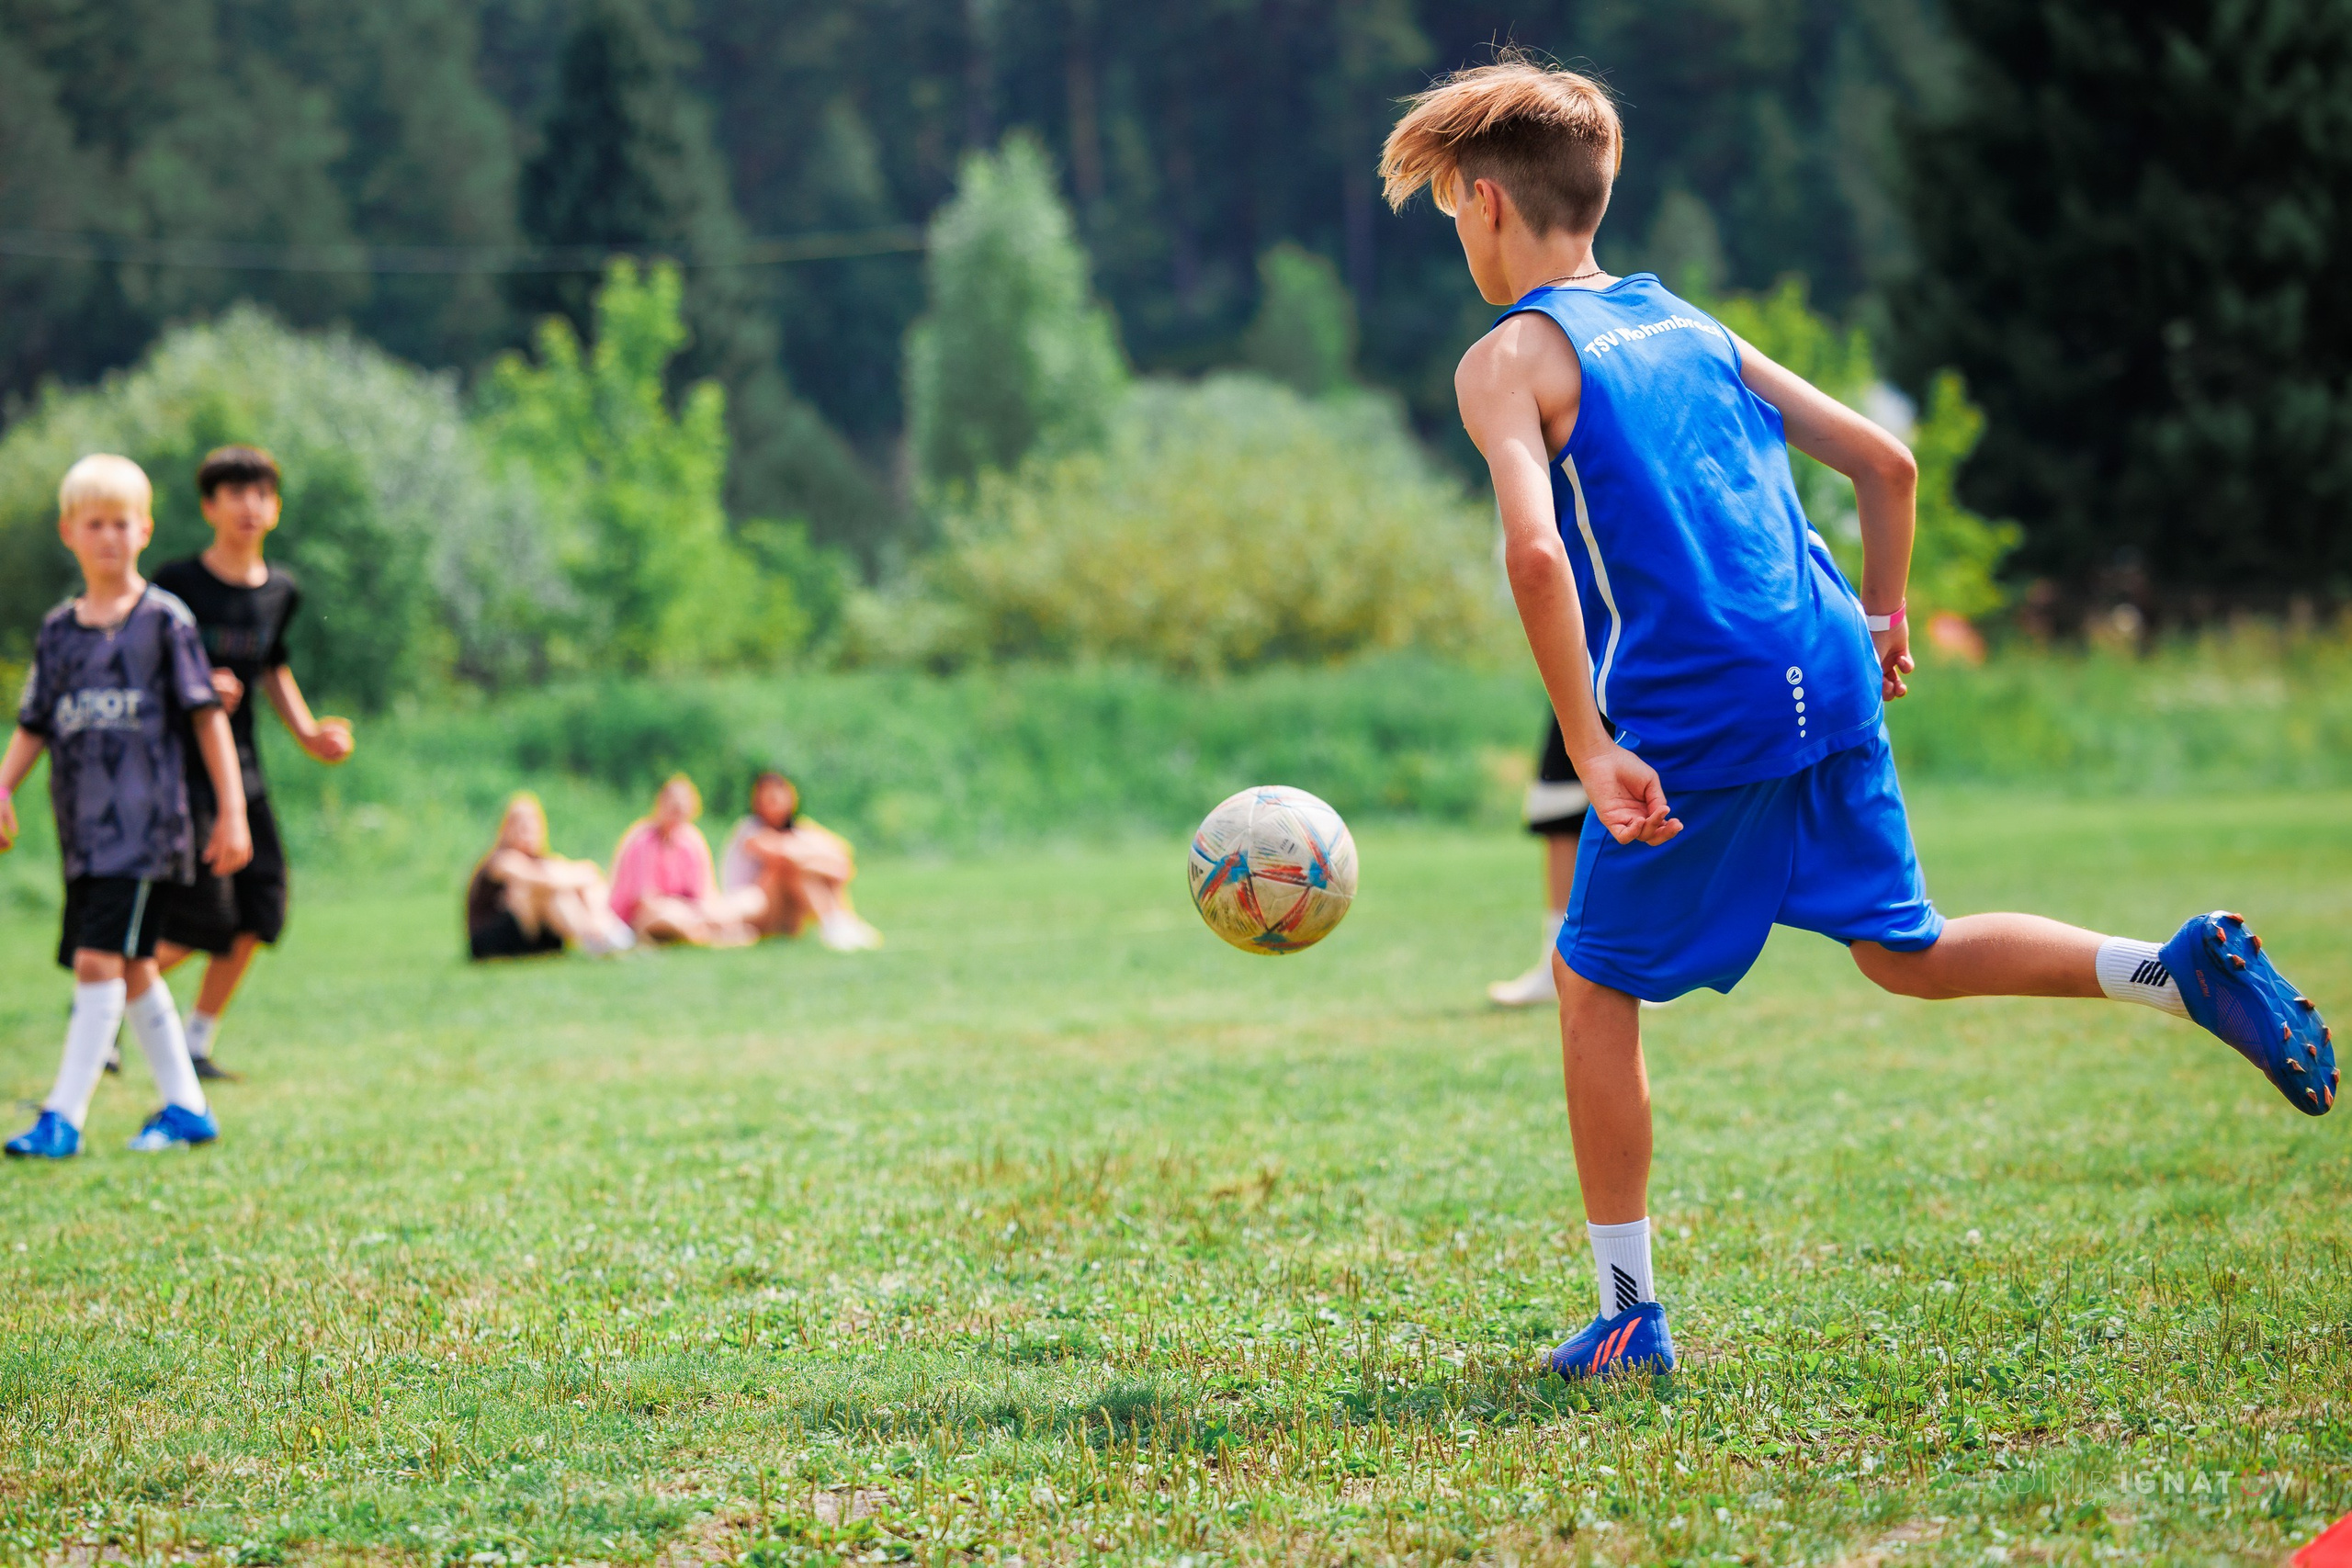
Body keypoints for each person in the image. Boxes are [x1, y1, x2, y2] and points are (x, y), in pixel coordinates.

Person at [1379, 56, 2334, 1380]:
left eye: (1447, 214)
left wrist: (1592, 748)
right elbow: (1888, 462)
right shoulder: (1690, 323)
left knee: (1594, 980)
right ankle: (2167, 967)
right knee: (1905, 946)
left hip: (1699, 702)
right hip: (1821, 656)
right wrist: (1886, 619)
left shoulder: (1509, 359)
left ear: (1485, 203)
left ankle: (1627, 1313)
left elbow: (1536, 558)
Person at [0, 454, 252, 1158]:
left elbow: (208, 719)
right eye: (94, 523)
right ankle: (187, 1106)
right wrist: (2, 786)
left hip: (146, 832)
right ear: (68, 532)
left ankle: (63, 1118)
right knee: (134, 965)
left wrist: (231, 811)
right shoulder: (58, 633)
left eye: (122, 523)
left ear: (144, 530)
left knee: (95, 961)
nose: (108, 536)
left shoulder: (166, 622)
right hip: (84, 833)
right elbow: (35, 725)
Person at [149, 446, 354, 1081]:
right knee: (203, 915)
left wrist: (308, 733)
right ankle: (106, 1002)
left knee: (262, 908)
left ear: (276, 507)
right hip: (184, 768)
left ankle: (196, 1039)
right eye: (234, 492)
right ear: (209, 506)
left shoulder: (282, 590)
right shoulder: (175, 584)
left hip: (245, 767)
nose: (249, 505)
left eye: (261, 493)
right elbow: (141, 661)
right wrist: (197, 684)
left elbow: (272, 665)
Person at [718, 769, 882, 952]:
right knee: (786, 869)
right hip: (754, 912)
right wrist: (813, 859)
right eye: (769, 796)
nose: (776, 800)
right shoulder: (750, 830)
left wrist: (813, 862)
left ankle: (842, 921)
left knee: (810, 867)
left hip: (786, 915)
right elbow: (781, 855)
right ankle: (834, 924)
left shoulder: (800, 829)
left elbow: (842, 857)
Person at [466, 793, 635, 961]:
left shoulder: (544, 861)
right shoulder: (501, 860)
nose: (528, 834)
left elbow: (588, 872)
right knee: (546, 890)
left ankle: (605, 928)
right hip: (497, 938)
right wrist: (575, 878)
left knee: (572, 880)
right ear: (506, 829)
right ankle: (594, 937)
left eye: (532, 827)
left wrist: (582, 884)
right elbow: (540, 881)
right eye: (521, 828)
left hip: (540, 936)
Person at [607, 774, 760, 946]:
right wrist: (683, 910)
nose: (677, 809)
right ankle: (709, 935)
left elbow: (704, 894)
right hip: (648, 915)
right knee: (668, 916)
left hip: (692, 912)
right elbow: (645, 901)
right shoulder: (643, 840)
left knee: (753, 899)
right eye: (672, 803)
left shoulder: (692, 841)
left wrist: (705, 913)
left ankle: (706, 931)